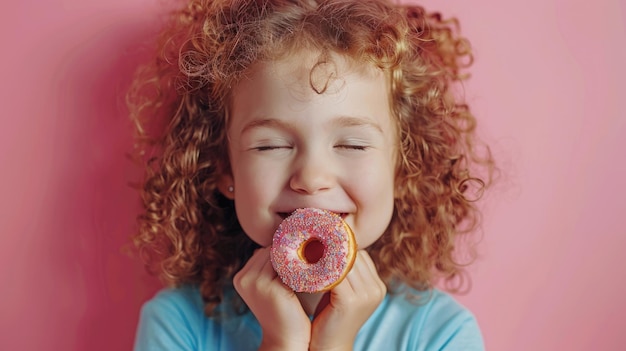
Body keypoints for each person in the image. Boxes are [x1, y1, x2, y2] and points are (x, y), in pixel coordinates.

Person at [127, 0, 495, 350]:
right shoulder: (178, 323)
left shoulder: (440, 334)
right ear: (224, 169)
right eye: (270, 146)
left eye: (352, 144)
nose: (312, 177)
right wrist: (280, 344)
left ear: (402, 170)